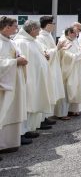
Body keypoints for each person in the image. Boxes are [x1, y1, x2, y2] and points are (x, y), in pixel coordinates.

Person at [13, 20, 52, 138]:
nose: (39, 31)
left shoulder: (33, 41)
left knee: (32, 103)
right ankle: (21, 132)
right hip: (28, 79)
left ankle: (28, 128)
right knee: (26, 105)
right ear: (31, 30)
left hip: (36, 78)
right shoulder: (21, 42)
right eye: (38, 29)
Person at [0, 17, 28, 153]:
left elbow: (16, 55)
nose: (17, 29)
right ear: (6, 27)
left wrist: (21, 58)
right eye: (15, 26)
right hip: (4, 87)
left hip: (15, 81)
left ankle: (11, 142)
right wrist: (16, 61)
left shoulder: (11, 41)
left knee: (13, 110)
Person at [36, 16, 65, 124]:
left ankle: (46, 117)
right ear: (48, 25)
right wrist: (57, 48)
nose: (54, 26)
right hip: (48, 69)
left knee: (50, 92)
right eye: (53, 24)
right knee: (46, 92)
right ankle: (41, 119)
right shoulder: (40, 37)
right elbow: (45, 54)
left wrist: (58, 49)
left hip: (53, 67)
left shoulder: (48, 35)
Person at [55, 27, 81, 119]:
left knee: (76, 88)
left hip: (76, 69)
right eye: (75, 33)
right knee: (66, 90)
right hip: (68, 70)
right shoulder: (63, 41)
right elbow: (66, 57)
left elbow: (78, 51)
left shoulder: (74, 40)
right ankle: (62, 113)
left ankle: (73, 110)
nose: (77, 35)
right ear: (69, 33)